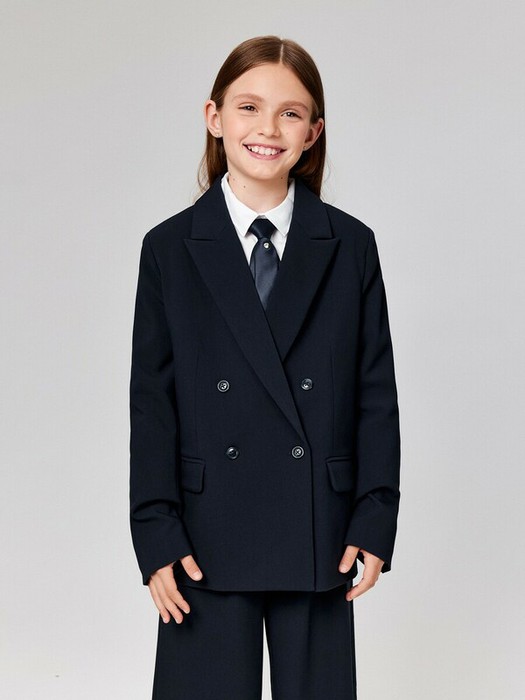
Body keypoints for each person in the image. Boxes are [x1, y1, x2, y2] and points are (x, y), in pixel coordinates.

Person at [129, 35, 401, 700]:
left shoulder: (350, 246)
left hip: (319, 525)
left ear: (313, 133)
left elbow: (375, 395)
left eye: (290, 112)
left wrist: (373, 518)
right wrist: (155, 531)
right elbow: (152, 404)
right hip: (203, 530)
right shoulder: (169, 248)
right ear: (214, 117)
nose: (268, 128)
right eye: (249, 107)